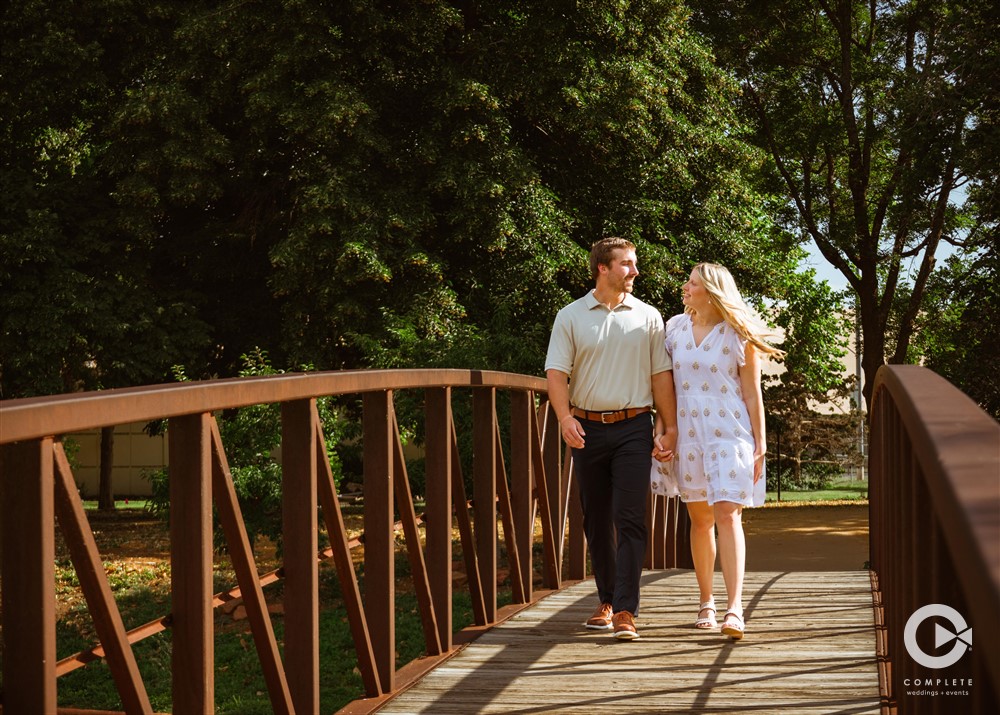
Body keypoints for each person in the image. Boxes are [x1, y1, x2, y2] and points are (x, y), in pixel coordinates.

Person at [546, 237, 677, 641]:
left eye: (634, 264)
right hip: (586, 428)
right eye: (627, 264)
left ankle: (625, 609)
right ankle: (605, 599)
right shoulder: (570, 316)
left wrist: (668, 425)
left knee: (631, 517)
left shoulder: (649, 317)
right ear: (603, 268)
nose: (634, 271)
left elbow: (660, 377)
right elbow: (556, 374)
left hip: (633, 427)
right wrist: (564, 417)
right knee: (596, 519)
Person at [651, 262, 784, 640]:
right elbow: (665, 386)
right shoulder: (674, 329)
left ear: (711, 291)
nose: (685, 287)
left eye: (692, 284)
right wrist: (661, 429)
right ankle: (706, 600)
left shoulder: (737, 336)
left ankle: (734, 607)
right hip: (690, 433)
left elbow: (751, 392)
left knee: (727, 514)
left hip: (730, 433)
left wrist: (760, 443)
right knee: (701, 520)